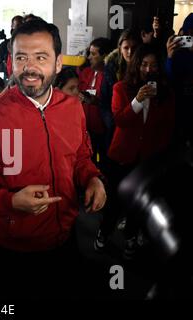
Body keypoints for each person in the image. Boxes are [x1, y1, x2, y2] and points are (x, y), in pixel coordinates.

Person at [0, 19, 106, 299]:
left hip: (66, 239)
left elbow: (81, 156)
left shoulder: (73, 107)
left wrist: (92, 178)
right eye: (21, 57)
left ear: (58, 63)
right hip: (15, 253)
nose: (30, 67)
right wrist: (10, 202)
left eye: (41, 57)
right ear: (10, 62)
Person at [94, 44, 175, 259]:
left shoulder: (165, 93)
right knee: (115, 201)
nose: (148, 70)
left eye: (154, 65)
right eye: (144, 64)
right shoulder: (121, 88)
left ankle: (130, 236)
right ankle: (104, 232)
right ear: (136, 64)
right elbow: (120, 120)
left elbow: (167, 127)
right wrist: (137, 100)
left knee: (139, 204)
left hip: (147, 159)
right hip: (121, 156)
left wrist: (158, 157)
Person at [100, 29, 141, 151]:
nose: (130, 52)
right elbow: (104, 100)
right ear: (120, 49)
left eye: (134, 47)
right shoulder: (111, 69)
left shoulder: (145, 68)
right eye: (126, 48)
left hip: (137, 124)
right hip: (115, 124)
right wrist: (111, 123)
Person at [77, 37, 113, 166]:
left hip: (103, 128)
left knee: (102, 160)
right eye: (89, 53)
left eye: (93, 54)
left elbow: (111, 103)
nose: (89, 57)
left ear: (104, 56)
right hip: (85, 126)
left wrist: (96, 101)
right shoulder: (85, 72)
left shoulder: (110, 77)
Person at [166, 13, 193, 142]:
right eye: (189, 33)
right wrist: (170, 57)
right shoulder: (178, 52)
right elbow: (168, 79)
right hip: (177, 103)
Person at [0, 15, 23, 80]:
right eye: (18, 25)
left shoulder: (30, 44)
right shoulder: (4, 45)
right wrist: (7, 65)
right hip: (9, 79)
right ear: (12, 27)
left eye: (22, 25)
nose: (20, 28)